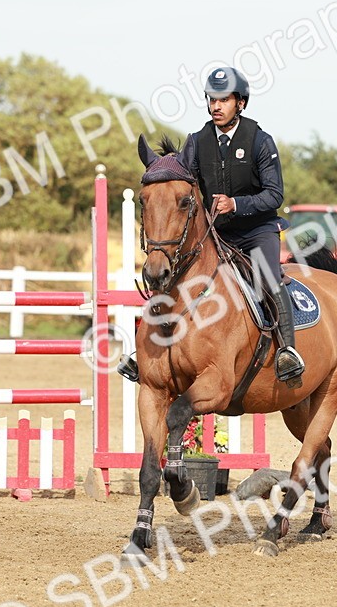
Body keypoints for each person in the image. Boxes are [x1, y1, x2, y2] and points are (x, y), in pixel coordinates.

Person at [118, 66, 304, 386]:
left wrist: (237, 204)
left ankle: (287, 350)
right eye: (212, 99)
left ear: (240, 103)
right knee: (173, 270)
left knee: (269, 277)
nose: (216, 106)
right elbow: (180, 178)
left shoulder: (260, 141)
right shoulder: (197, 141)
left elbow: (274, 195)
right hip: (216, 233)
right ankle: (146, 352)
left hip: (257, 231)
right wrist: (157, 169)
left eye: (224, 100)